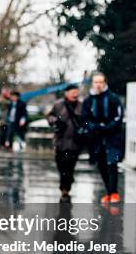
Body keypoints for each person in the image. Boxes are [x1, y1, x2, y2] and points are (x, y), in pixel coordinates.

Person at [81, 72, 124, 204]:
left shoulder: (113, 98)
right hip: (96, 138)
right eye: (96, 82)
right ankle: (109, 192)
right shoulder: (88, 101)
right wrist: (94, 127)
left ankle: (114, 192)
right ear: (92, 83)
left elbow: (118, 117)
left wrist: (106, 127)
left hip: (112, 137)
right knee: (102, 165)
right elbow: (85, 119)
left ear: (104, 83)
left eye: (100, 82)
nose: (98, 85)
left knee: (112, 163)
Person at [47, 84, 83, 202]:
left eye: (76, 92)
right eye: (72, 92)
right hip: (61, 142)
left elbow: (87, 120)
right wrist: (55, 121)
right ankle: (66, 182)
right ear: (66, 93)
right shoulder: (58, 105)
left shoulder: (81, 106)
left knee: (70, 167)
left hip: (75, 143)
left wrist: (84, 128)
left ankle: (65, 190)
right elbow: (49, 116)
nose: (75, 94)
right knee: (61, 165)